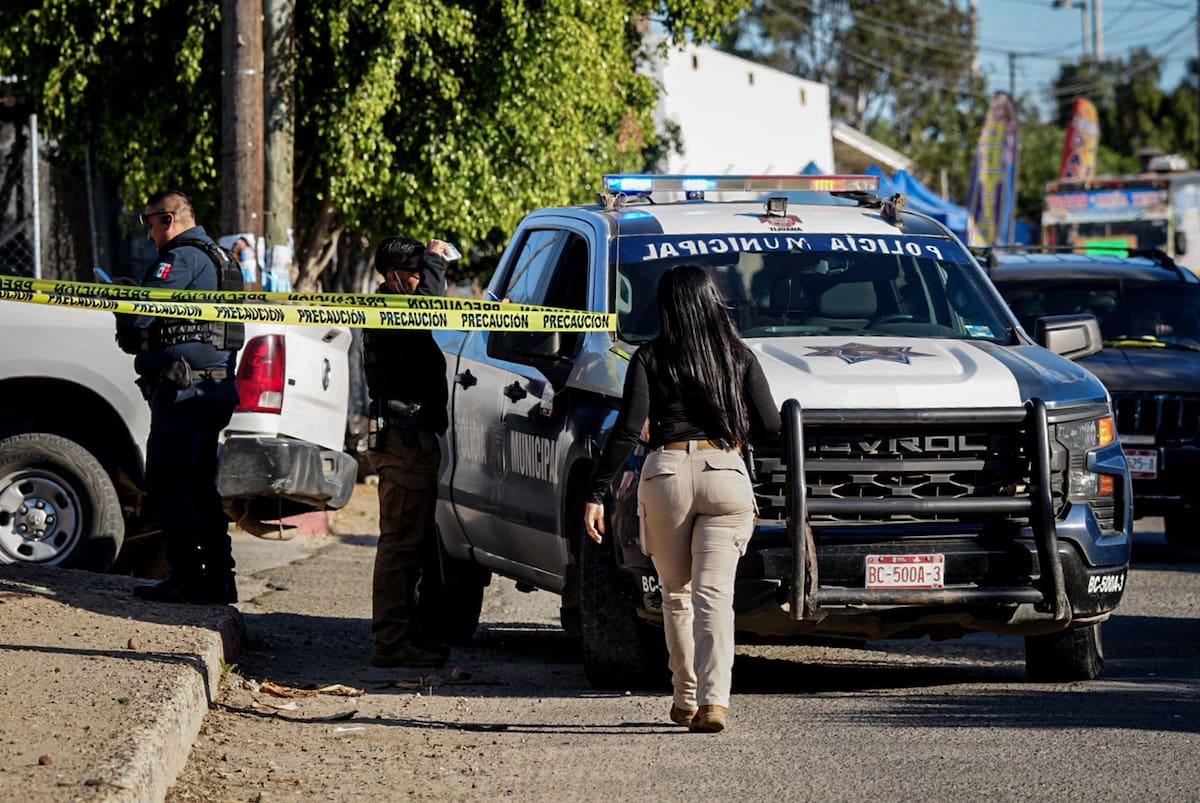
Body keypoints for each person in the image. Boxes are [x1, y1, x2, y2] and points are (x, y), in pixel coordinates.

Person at [583, 263, 780, 733]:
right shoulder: (738, 355)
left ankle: (685, 699)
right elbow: (772, 426)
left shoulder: (650, 357)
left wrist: (595, 493)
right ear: (714, 301)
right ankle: (715, 702)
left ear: (667, 306)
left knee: (677, 595)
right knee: (716, 596)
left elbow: (627, 431)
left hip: (666, 473)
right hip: (723, 472)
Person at [114, 190, 243, 604]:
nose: (149, 233)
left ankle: (187, 578)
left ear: (168, 219)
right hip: (212, 387)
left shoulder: (181, 258)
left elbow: (139, 315)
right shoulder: (222, 257)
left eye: (149, 222)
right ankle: (220, 580)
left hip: (185, 392)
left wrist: (121, 297)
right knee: (201, 487)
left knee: (169, 485)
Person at [362, 235, 457, 668]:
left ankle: (408, 634)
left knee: (414, 544)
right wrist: (437, 262)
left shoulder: (402, 308)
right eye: (416, 270)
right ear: (397, 275)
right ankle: (392, 641)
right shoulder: (390, 308)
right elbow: (431, 305)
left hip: (413, 439)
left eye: (425, 269)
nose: (422, 278)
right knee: (400, 545)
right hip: (402, 441)